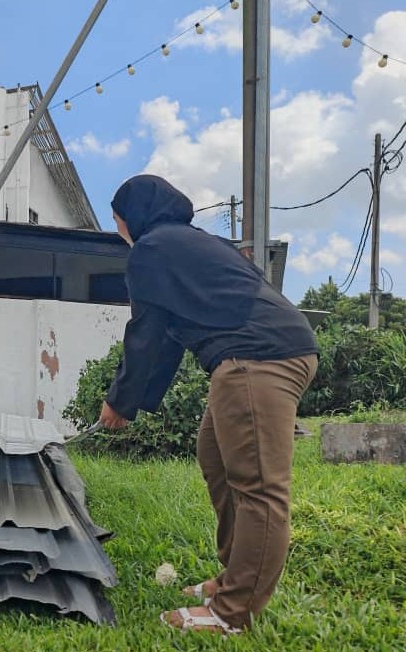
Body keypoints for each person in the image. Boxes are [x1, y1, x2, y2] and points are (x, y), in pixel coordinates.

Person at [98, 175, 318, 634]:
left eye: (118, 221)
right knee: (215, 457)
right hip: (255, 352)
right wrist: (131, 403)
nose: (119, 230)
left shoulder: (151, 250)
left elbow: (146, 334)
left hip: (257, 355)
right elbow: (169, 339)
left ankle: (232, 614)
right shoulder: (192, 243)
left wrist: (119, 401)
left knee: (258, 488)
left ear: (133, 217)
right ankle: (232, 578)